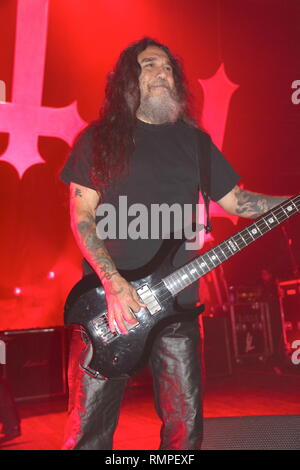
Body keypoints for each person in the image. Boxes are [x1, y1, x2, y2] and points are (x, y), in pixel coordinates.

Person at [60, 37, 288, 450]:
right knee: (88, 434)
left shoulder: (195, 143)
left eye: (167, 68)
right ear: (129, 80)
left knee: (185, 432)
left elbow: (240, 202)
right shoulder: (99, 140)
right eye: (149, 65)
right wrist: (114, 285)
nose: (161, 73)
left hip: (178, 305)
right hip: (107, 305)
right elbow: (82, 218)